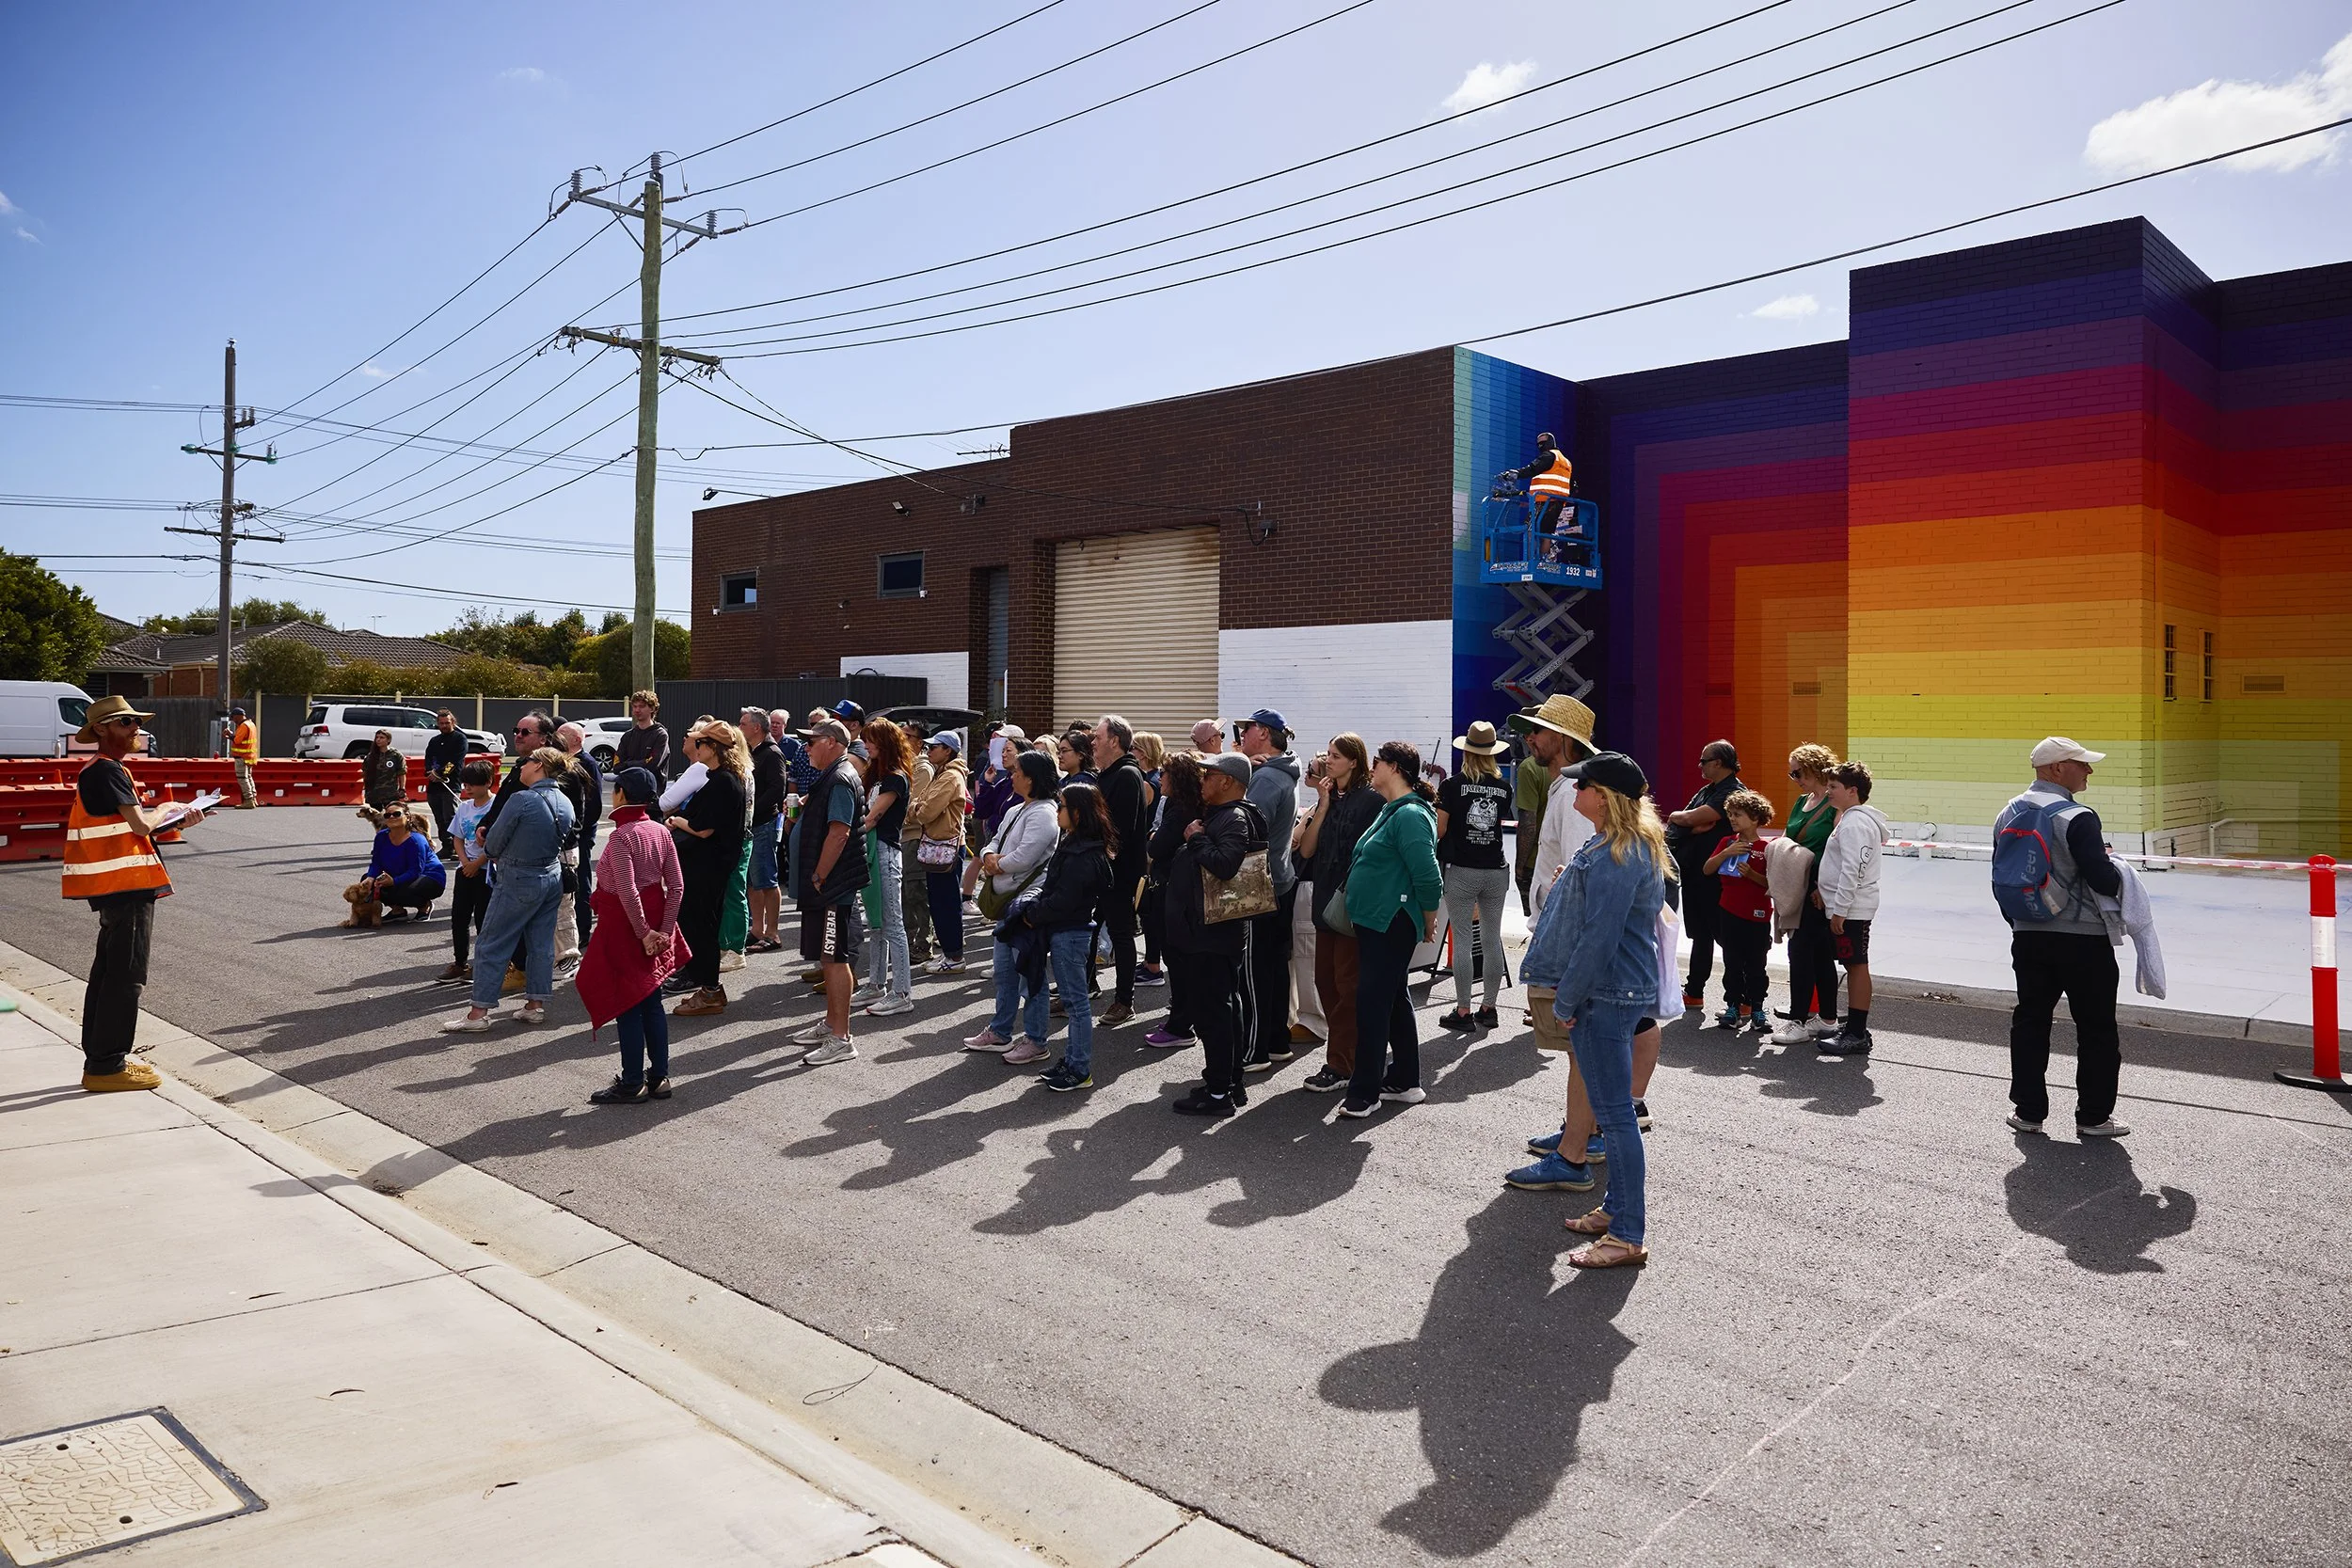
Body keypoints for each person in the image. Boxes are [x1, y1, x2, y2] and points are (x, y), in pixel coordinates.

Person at [1516, 751, 1667, 1269]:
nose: (1574, 791)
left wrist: (1566, 998)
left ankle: (1626, 1235)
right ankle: (1616, 1212)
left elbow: (1599, 937)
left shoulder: (1617, 853)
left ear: (1603, 798)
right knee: (1615, 1114)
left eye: (1583, 786)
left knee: (1616, 1117)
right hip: (1615, 990)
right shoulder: (1620, 846)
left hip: (1606, 993)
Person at [63, 695, 205, 1092]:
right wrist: (167, 808)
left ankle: (102, 1060)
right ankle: (107, 1067)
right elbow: (141, 825)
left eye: (136, 722)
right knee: (126, 977)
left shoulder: (105, 770)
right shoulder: (107, 770)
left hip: (117, 887)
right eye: (126, 722)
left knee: (108, 975)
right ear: (102, 729)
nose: (136, 729)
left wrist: (179, 820)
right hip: (125, 887)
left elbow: (127, 827)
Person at [1997, 738, 2130, 1137]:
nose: (2089, 770)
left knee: (2031, 1021)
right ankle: (2093, 1117)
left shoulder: (2009, 812)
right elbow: (2103, 881)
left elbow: (2002, 874)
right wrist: (2118, 868)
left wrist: (2020, 921)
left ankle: (2028, 1112)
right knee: (2096, 1028)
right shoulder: (2078, 817)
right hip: (2084, 938)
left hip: (2029, 936)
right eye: (2081, 764)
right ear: (2057, 769)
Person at [1337, 741, 1444, 1118]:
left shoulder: (1410, 814)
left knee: (1373, 1004)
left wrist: (1429, 919)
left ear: (1395, 767)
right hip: (1378, 921)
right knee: (1393, 997)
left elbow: (1428, 874)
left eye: (1378, 761)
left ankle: (1365, 1092)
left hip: (1390, 921)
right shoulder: (1393, 809)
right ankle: (1404, 1080)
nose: (1372, 766)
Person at [442, 747, 575, 1032]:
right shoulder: (564, 800)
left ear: (539, 766)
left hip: (518, 876)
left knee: (492, 942)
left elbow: (492, 845)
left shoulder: (522, 799)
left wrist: (487, 838)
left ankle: (478, 1013)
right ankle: (535, 1005)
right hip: (551, 874)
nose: (522, 767)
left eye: (526, 762)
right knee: (540, 944)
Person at [577, 768, 689, 1104]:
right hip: (655, 920)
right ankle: (660, 1077)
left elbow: (627, 890)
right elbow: (677, 887)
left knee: (627, 1003)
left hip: (626, 925)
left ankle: (632, 1082)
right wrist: (664, 931)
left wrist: (643, 933)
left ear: (622, 794)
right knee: (652, 1000)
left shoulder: (621, 836)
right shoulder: (660, 830)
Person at [1167, 753, 1266, 1117]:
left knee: (1214, 1013)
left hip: (1212, 933)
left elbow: (1226, 865)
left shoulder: (1235, 817)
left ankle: (1219, 1092)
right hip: (1211, 931)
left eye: (1209, 775)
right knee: (1222, 1008)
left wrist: (1195, 838)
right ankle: (1227, 1083)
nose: (1203, 780)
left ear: (1227, 781)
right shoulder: (1226, 814)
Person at [1000, 781, 1115, 1091]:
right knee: (1074, 1003)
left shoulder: (1083, 854)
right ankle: (1072, 1061)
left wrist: (1032, 914)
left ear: (1077, 813)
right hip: (1066, 932)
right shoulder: (1076, 843)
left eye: (1062, 806)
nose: (1057, 811)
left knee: (1076, 1005)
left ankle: (1079, 1069)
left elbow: (1064, 900)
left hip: (1071, 934)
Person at [1295, 734, 1382, 1094]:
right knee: (1325, 982)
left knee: (1347, 986)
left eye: (1334, 756)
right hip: (1324, 902)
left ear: (1354, 761)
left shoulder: (1371, 801)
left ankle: (1341, 1063)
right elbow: (1306, 849)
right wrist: (1323, 802)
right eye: (1328, 755)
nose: (1327, 761)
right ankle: (1350, 1053)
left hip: (1353, 905)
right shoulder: (1330, 798)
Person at [964, 751, 1066, 1053]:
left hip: (1026, 905)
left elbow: (1025, 857)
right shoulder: (1016, 809)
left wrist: (996, 864)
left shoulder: (1045, 813)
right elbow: (993, 841)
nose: (1012, 775)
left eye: (1017, 771)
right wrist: (989, 856)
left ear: (1032, 778)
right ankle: (1000, 1031)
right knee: (1004, 972)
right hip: (1007, 904)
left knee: (1029, 976)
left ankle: (1036, 1040)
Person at [790, 719, 869, 1063]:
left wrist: (820, 874)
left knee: (836, 960)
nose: (806, 747)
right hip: (827, 886)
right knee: (828, 957)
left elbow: (839, 833)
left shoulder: (839, 778)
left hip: (832, 886)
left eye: (813, 741)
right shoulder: (832, 775)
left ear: (834, 743)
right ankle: (831, 1023)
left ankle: (841, 1038)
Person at [1435, 720, 1515, 1032]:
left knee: (1464, 939)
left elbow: (1440, 830)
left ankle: (1464, 1010)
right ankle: (1489, 1008)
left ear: (1467, 751)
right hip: (1496, 869)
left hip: (1462, 869)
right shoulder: (1504, 788)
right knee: (1492, 939)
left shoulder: (1451, 786)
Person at [1235, 708, 1301, 1072]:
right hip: (1281, 880)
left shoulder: (1266, 778)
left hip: (1260, 886)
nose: (1241, 737)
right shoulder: (1285, 768)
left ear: (1263, 733)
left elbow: (1243, 830)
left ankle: (1255, 1049)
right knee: (1275, 966)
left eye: (1245, 730)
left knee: (1255, 971)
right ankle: (1276, 1041)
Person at [667, 722, 749, 1018]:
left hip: (708, 866)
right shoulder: (718, 778)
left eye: (700, 743)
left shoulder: (724, 781)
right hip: (704, 864)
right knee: (697, 923)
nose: (696, 747)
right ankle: (707, 987)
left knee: (701, 925)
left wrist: (677, 822)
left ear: (713, 748)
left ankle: (710, 989)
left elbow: (703, 829)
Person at [1771, 744, 1844, 1046]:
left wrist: (1824, 888)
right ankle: (1827, 1019)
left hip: (1817, 888)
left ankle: (1799, 1020)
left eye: (1798, 773)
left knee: (1800, 953)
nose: (1795, 779)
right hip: (1796, 886)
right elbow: (1788, 839)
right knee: (1820, 954)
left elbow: (1837, 851)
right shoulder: (1802, 801)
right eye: (1792, 774)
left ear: (1815, 768)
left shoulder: (1833, 804)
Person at [1813, 761, 1888, 1055]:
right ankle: (1855, 1029)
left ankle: (1856, 1033)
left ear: (1852, 791)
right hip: (1847, 907)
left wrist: (1840, 909)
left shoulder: (1855, 824)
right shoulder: (1850, 819)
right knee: (1853, 964)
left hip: (1852, 909)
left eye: (1834, 787)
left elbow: (1852, 869)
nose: (1828, 792)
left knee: (1857, 966)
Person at [1665, 740, 1744, 1014]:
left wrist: (1684, 820)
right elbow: (1678, 824)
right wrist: (1686, 823)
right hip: (1695, 873)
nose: (1699, 765)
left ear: (1719, 762)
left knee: (1726, 936)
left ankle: (1743, 996)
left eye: (1704, 760)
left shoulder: (1733, 792)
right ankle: (1694, 991)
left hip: (1719, 877)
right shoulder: (1706, 791)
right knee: (1701, 934)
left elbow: (1689, 818)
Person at [1511, 693, 1601, 913]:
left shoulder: (1572, 793)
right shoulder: (1563, 788)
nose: (1530, 738)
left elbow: (1579, 874)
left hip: (1560, 923)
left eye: (1538, 729)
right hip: (1552, 920)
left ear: (1561, 738)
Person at [1141, 752, 1206, 1051]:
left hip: (1174, 893)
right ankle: (1179, 1020)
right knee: (1179, 961)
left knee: (1178, 961)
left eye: (1165, 772)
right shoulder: (1185, 806)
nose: (1160, 778)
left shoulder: (1180, 809)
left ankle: (1181, 1026)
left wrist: (1154, 836)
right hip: (1176, 891)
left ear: (1177, 778)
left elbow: (1156, 846)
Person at [1091, 714, 1152, 1026]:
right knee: (1088, 930)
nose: (1093, 742)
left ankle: (1124, 1001)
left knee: (1121, 934)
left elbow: (1120, 831)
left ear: (1114, 741)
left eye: (1098, 737)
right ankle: (1084, 986)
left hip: (1119, 874)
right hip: (1100, 870)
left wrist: (1103, 858)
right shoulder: (1107, 774)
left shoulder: (1127, 774)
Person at [851, 718, 915, 1016]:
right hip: (871, 851)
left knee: (892, 923)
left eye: (871, 740)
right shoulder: (875, 776)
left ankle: (902, 992)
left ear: (885, 742)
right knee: (876, 922)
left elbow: (873, 817)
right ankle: (876, 985)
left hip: (885, 852)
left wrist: (844, 837)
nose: (866, 745)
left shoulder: (895, 778)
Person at [1701, 791, 1777, 1032]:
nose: (1732, 819)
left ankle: (1757, 1009)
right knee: (1732, 961)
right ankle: (1733, 1007)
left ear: (1755, 818)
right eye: (1730, 814)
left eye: (1738, 815)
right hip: (1729, 911)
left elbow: (1773, 884)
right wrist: (1726, 853)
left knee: (1756, 963)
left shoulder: (1767, 848)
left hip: (1757, 914)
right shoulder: (1727, 842)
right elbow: (1707, 869)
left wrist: (1752, 875)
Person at [912, 732, 970, 974]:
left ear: (948, 750)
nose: (929, 750)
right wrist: (918, 807)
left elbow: (925, 812)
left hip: (947, 846)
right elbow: (921, 804)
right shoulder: (941, 773)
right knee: (939, 902)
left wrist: (916, 808)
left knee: (946, 904)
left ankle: (955, 957)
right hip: (938, 845)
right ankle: (949, 953)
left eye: (935, 747)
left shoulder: (950, 776)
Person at [437, 758, 497, 983]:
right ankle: (460, 962)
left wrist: (478, 863)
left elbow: (498, 842)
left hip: (487, 870)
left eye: (473, 783)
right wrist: (465, 862)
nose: (468, 788)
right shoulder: (464, 807)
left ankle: (481, 964)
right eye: (465, 784)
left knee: (484, 920)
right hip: (465, 869)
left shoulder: (497, 806)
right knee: (459, 918)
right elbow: (458, 838)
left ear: (488, 782)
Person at [1499, 431, 1587, 565]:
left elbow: (1532, 468)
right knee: (1547, 532)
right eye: (1538, 444)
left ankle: (1531, 561)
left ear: (1550, 442)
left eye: (1543, 443)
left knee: (1530, 529)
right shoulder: (1566, 462)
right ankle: (1544, 561)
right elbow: (1572, 485)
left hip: (1543, 501)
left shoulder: (1549, 456)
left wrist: (1515, 474)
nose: (1540, 446)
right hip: (1558, 503)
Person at [348, 805, 445, 925]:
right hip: (398, 872)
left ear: (407, 817)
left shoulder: (415, 840)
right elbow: (376, 862)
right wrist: (371, 877)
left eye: (396, 814)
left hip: (428, 876)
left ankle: (424, 906)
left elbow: (415, 871)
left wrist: (394, 881)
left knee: (402, 890)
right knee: (367, 881)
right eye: (387, 815)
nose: (391, 817)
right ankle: (397, 910)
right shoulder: (381, 836)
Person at [556, 721, 605, 950]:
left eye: (562, 734)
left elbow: (594, 804)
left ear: (576, 739)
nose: (557, 738)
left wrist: (579, 830)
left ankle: (583, 930)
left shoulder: (587, 763)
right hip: (565, 833)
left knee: (580, 880)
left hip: (580, 834)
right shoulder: (562, 761)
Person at [898, 721, 937, 968]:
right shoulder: (902, 765)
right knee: (904, 893)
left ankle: (923, 943)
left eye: (907, 736)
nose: (902, 739)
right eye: (900, 735)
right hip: (900, 837)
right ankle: (907, 941)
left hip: (914, 837)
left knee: (916, 892)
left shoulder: (922, 768)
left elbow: (912, 807)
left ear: (920, 742)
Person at [1131, 731, 1168, 988]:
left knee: (1148, 910)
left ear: (1142, 753)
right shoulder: (1157, 779)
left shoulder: (1147, 783)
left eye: (1133, 748)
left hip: (1147, 851)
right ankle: (1150, 962)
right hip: (1152, 849)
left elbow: (1139, 821)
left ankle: (1152, 964)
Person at [1512, 729, 1554, 914]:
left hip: (1536, 862)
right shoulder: (1578, 767)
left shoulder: (1529, 768)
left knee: (1536, 922)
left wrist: (1520, 865)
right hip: (1563, 859)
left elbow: (1528, 823)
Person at [424, 710, 469, 854]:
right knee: (439, 818)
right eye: (441, 723)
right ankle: (447, 846)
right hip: (434, 786)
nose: (444, 726)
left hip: (451, 784)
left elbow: (456, 761)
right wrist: (430, 772)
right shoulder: (434, 741)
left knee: (450, 817)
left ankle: (457, 847)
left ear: (453, 722)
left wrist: (441, 773)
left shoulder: (460, 739)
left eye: (447, 723)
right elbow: (428, 758)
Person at [358, 729, 407, 826]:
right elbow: (365, 773)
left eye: (382, 737)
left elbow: (402, 773)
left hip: (390, 793)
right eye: (377, 737)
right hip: (374, 793)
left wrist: (402, 788)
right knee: (378, 820)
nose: (378, 740)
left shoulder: (395, 755)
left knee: (393, 818)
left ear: (388, 740)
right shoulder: (371, 756)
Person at [615, 689, 670, 775]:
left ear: (652, 709)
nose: (637, 710)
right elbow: (616, 767)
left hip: (651, 783)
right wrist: (641, 763)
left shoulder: (660, 735)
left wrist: (628, 764)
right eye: (635, 706)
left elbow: (652, 765)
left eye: (642, 706)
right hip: (627, 783)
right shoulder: (627, 736)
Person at [226, 705, 261, 810]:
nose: (233, 720)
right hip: (250, 756)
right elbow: (242, 739)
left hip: (242, 757)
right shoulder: (251, 724)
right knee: (249, 777)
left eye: (233, 717)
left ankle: (249, 800)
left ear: (238, 716)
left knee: (242, 779)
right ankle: (253, 799)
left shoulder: (243, 726)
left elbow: (237, 740)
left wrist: (230, 735)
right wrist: (232, 736)